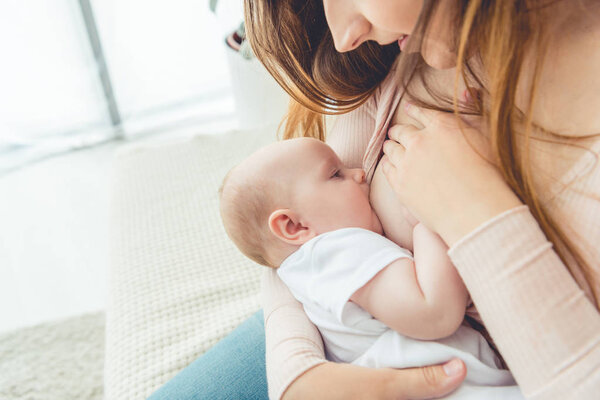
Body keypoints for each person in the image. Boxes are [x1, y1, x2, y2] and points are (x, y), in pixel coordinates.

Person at [150, 1, 600, 399]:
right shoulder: (403, 49)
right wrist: (296, 369)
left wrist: (474, 211)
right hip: (336, 342)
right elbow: (293, 239)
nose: (343, 37)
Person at [219, 136, 523, 399]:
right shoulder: (340, 251)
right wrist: (428, 219)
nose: (360, 174)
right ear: (294, 226)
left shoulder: (311, 266)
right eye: (336, 174)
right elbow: (435, 313)